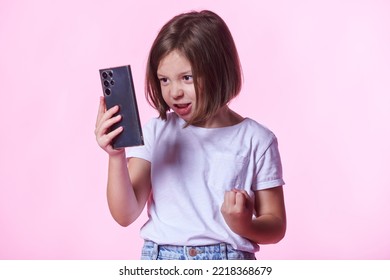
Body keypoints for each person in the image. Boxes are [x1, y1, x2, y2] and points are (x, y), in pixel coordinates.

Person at [95, 10, 286, 260]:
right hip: (161, 259)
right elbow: (125, 214)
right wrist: (116, 156)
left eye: (187, 78)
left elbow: (276, 226)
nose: (174, 92)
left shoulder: (257, 140)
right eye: (164, 80)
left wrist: (244, 225)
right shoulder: (156, 131)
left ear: (219, 71)